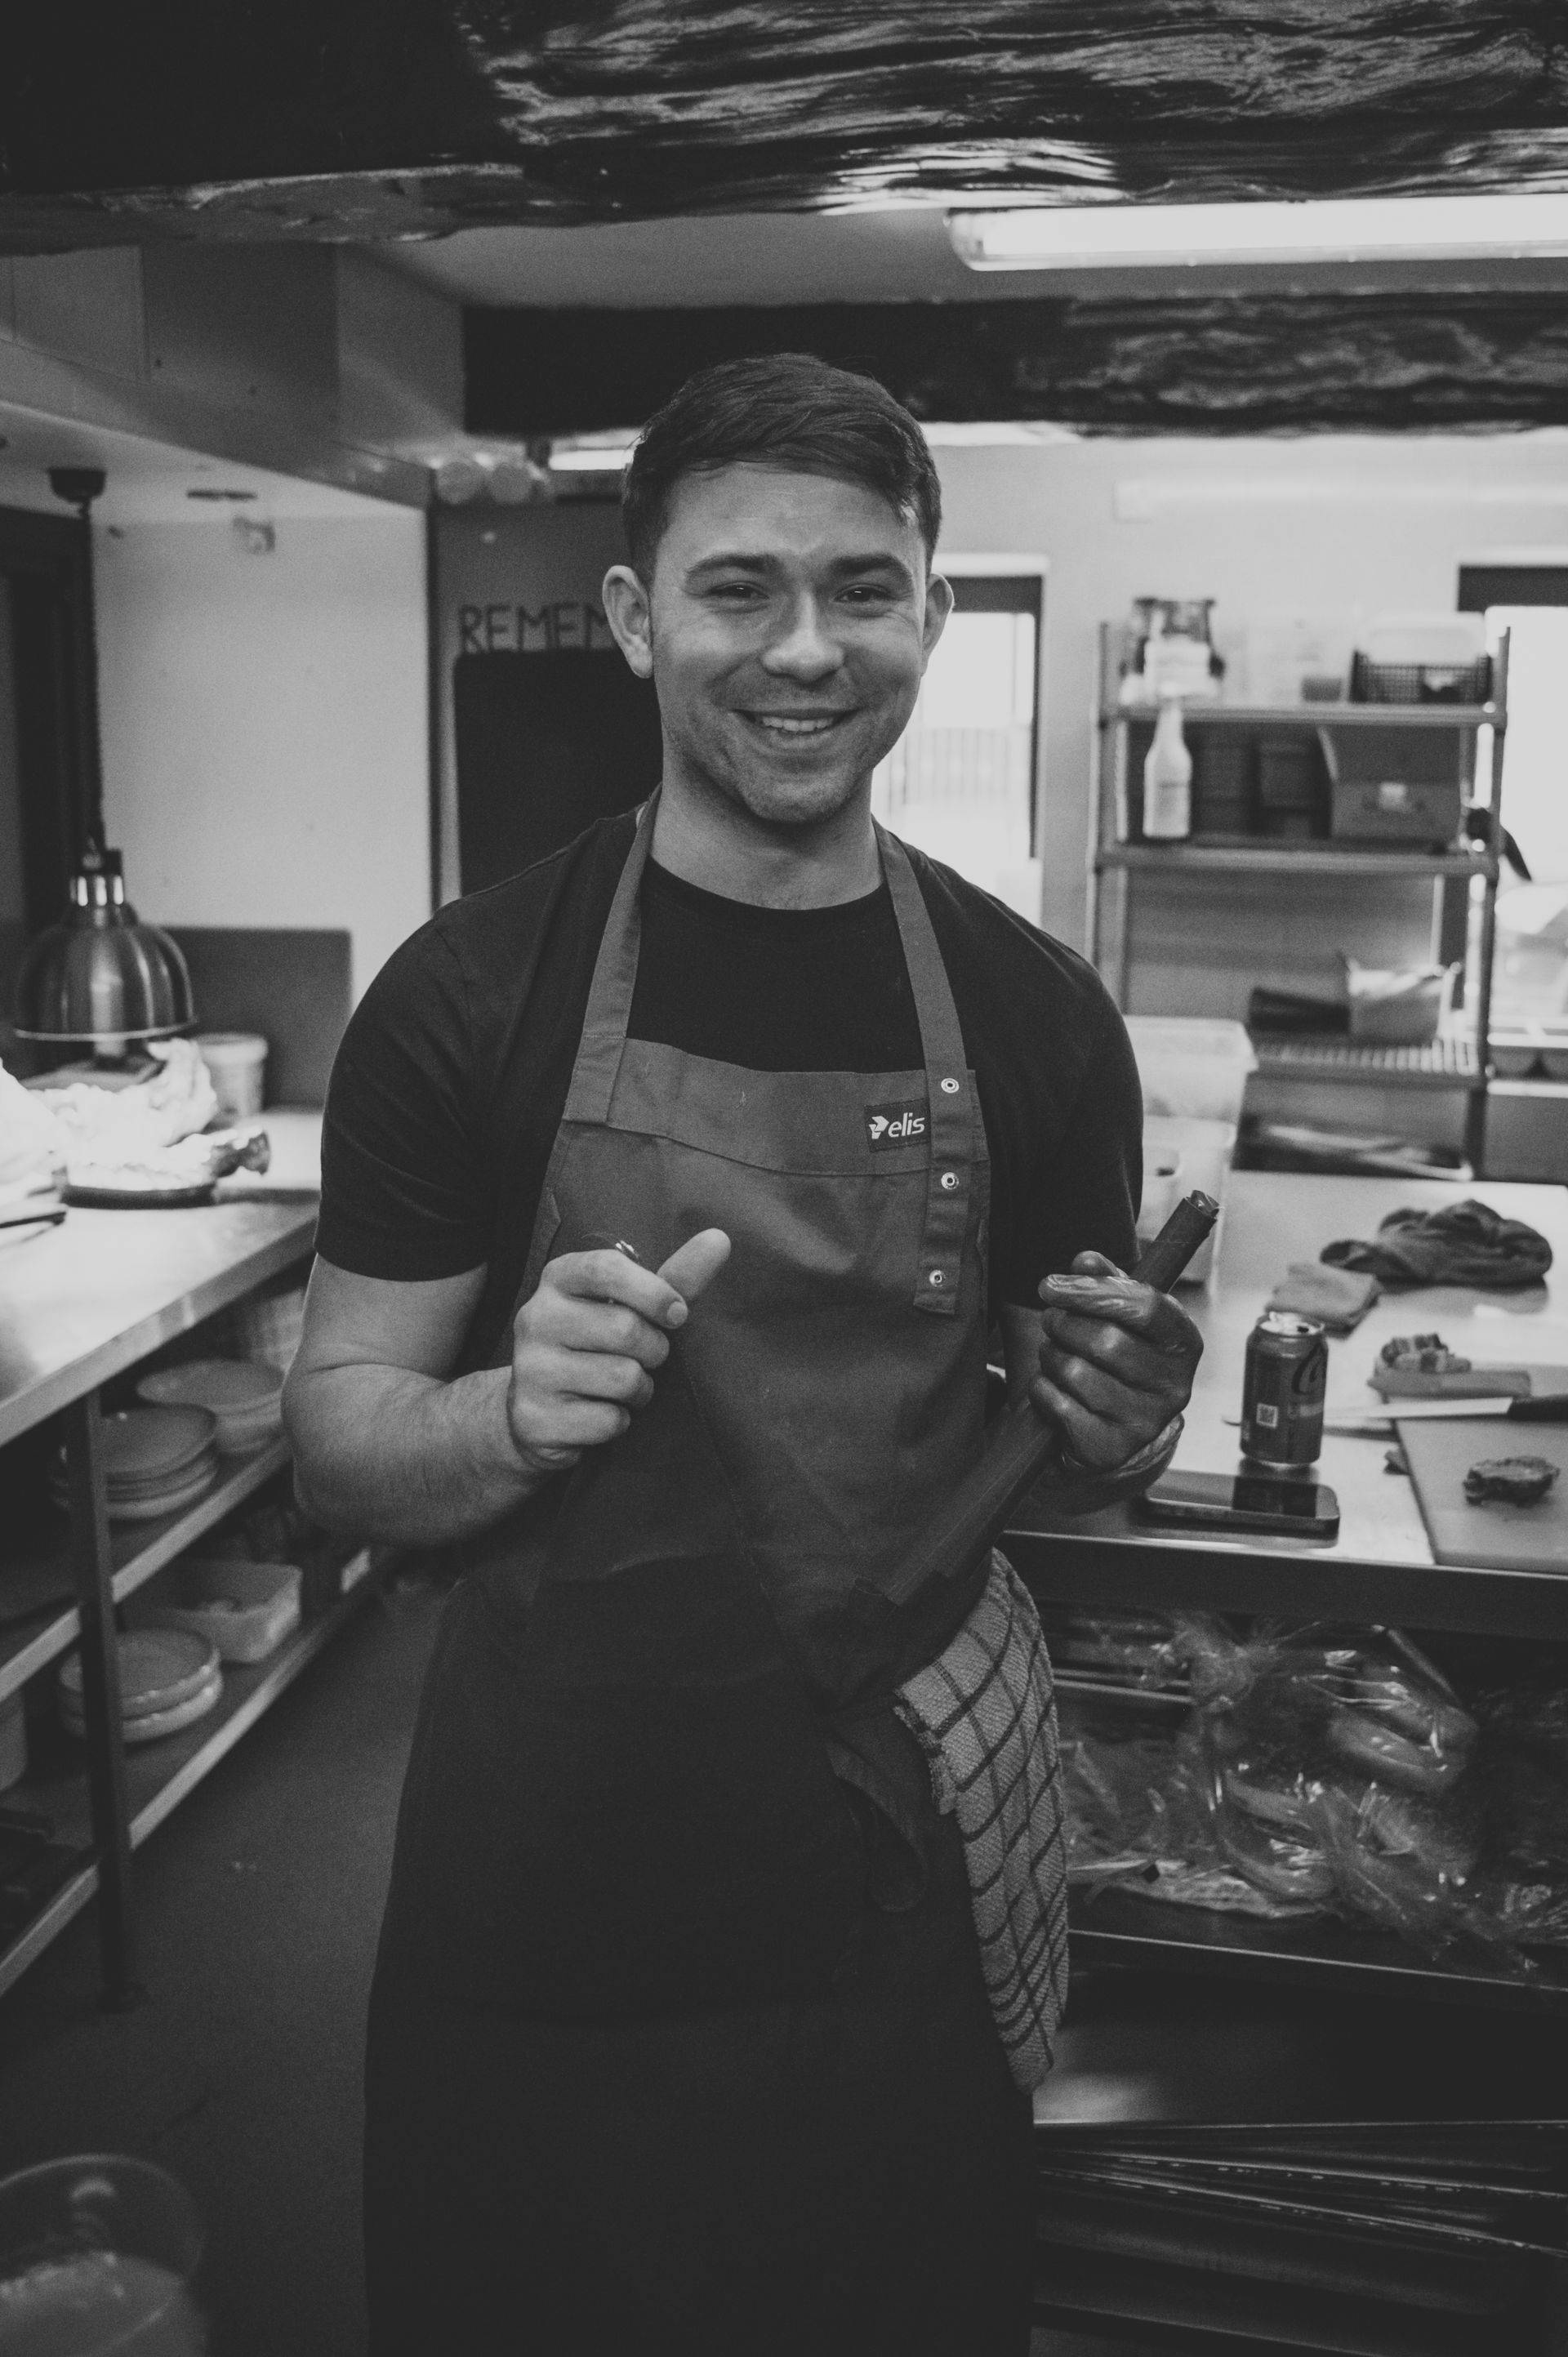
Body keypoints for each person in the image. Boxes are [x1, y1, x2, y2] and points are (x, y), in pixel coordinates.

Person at [284, 351, 1202, 2357]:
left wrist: (1127, 1414)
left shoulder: (1039, 1020)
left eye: (865, 589)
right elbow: (343, 1448)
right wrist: (507, 1413)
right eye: (740, 590)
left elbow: (1074, 1432)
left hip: (899, 1845)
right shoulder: (469, 999)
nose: (808, 651)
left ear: (932, 617)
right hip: (555, 1833)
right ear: (635, 620)